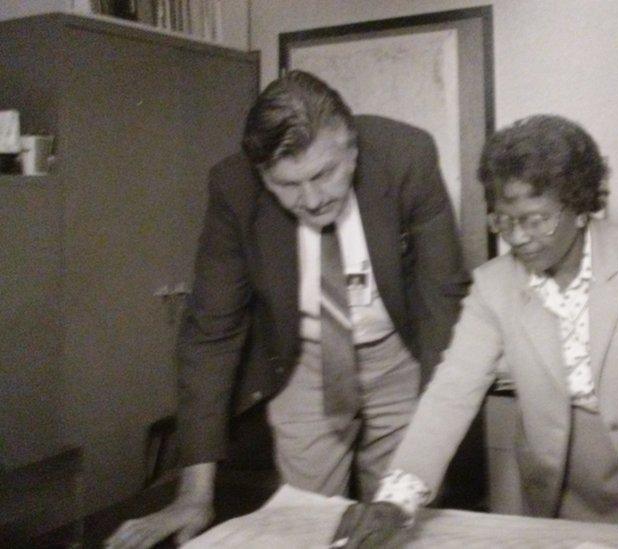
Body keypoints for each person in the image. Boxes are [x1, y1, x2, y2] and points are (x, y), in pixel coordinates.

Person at [333, 115, 618, 548]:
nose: (519, 238)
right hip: (558, 503)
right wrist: (395, 501)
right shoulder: (493, 286)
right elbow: (450, 393)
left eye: (536, 220)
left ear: (579, 205)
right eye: (505, 221)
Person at [106, 71, 467, 548]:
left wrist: (433, 429)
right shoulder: (233, 188)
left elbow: (441, 298)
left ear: (352, 150)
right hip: (304, 361)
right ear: (261, 175)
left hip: (399, 353)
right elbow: (212, 331)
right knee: (306, 523)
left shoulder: (407, 156)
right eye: (288, 185)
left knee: (401, 522)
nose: (312, 200)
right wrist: (194, 495)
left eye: (324, 174)